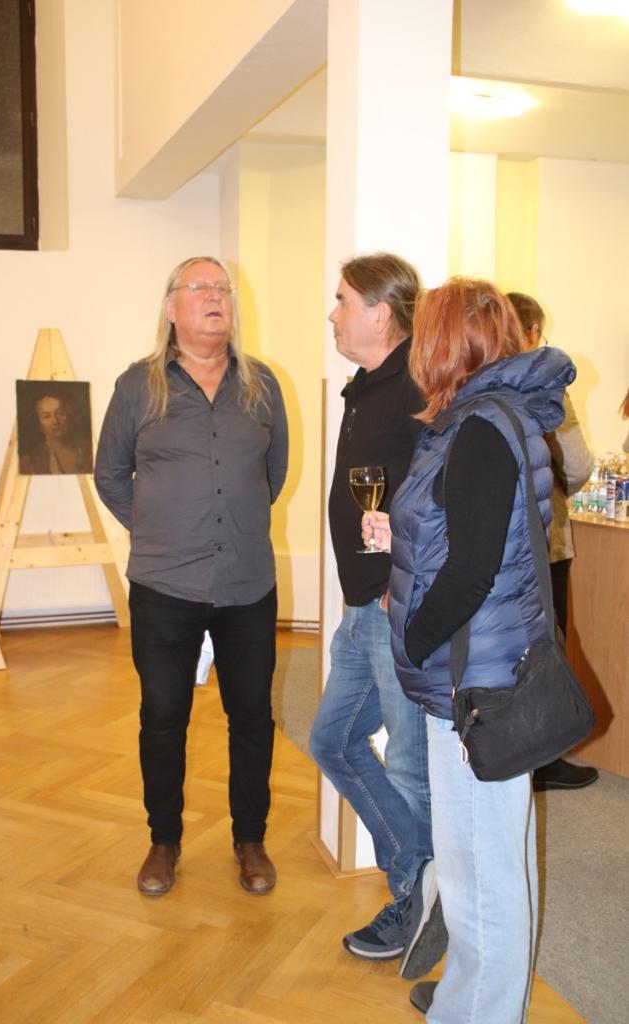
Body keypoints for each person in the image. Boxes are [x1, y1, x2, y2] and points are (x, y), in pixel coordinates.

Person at [364, 278, 575, 1022]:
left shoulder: (482, 426)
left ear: (445, 344)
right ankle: (474, 995)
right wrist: (401, 538)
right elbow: (466, 535)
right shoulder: (484, 417)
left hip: (471, 681)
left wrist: (414, 639)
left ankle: (481, 1010)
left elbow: (472, 569)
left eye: (423, 334)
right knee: (487, 860)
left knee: (480, 872)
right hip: (477, 667)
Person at [95, 256, 288, 897]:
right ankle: (163, 841)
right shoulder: (138, 385)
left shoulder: (261, 385)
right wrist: (158, 528)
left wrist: (229, 524)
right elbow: (109, 474)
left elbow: (274, 472)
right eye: (199, 287)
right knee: (162, 716)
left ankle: (250, 840)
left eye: (222, 288)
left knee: (252, 716)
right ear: (171, 307)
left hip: (247, 583)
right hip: (164, 585)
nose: (215, 296)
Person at [309, 253, 443, 977]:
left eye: (341, 301)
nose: (332, 314)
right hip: (361, 609)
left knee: (412, 770)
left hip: (396, 611)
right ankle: (419, 881)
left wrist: (403, 583)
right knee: (331, 742)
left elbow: (440, 498)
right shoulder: (363, 388)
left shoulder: (418, 388)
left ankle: (415, 901)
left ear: (380, 313)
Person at [507, 292, 598, 792]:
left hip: (497, 545)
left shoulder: (476, 381)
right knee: (547, 646)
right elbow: (578, 465)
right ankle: (543, 760)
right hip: (545, 540)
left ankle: (508, 750)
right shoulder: (548, 385)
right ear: (532, 333)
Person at [19, 392, 93, 474]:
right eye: (47, 416)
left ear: (69, 415)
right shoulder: (29, 462)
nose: (55, 421)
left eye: (60, 413)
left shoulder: (90, 448)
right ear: (39, 423)